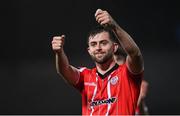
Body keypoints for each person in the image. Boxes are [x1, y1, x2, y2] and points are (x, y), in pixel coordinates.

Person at [51, 9, 144, 115]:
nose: (98, 48)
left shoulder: (128, 74)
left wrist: (114, 26)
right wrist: (59, 53)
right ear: (89, 51)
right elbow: (64, 70)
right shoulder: (85, 76)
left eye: (103, 43)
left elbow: (135, 54)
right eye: (94, 44)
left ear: (114, 47)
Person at [114, 48, 149, 115]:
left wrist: (141, 101)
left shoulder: (138, 84)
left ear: (126, 62)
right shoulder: (98, 85)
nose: (115, 63)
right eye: (111, 60)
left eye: (118, 59)